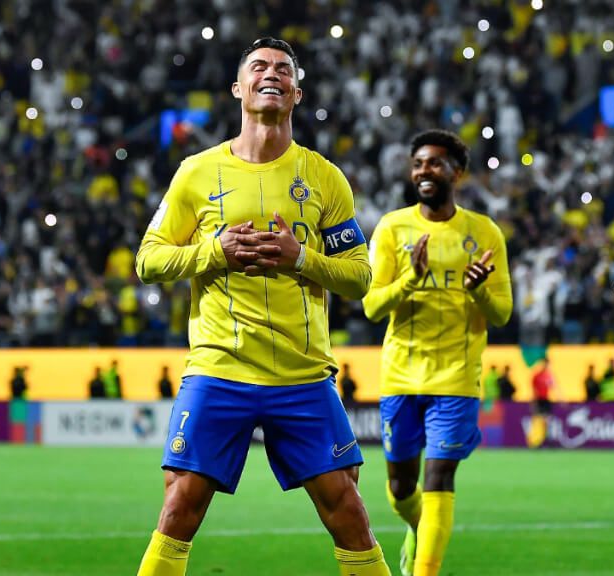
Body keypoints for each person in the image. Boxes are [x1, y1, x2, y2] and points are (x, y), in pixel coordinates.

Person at [134, 38, 389, 576]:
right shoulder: (196, 173)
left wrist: (302, 259)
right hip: (219, 369)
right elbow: (149, 260)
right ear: (238, 88)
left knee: (347, 509)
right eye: (258, 67)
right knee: (180, 505)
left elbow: (360, 278)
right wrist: (214, 252)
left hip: (301, 374)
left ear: (297, 91)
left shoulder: (324, 177)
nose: (270, 74)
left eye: (282, 69)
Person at [362, 129, 512, 576]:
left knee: (440, 477)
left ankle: (424, 569)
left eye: (434, 163)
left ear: (457, 172)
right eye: (418, 164)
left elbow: (501, 313)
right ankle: (418, 527)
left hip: (457, 378)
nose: (424, 171)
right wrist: (411, 278)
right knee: (400, 487)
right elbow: (371, 306)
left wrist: (478, 291)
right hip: (401, 375)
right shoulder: (393, 227)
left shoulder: (484, 233)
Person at [528, 358, 554, 449]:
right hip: (538, 400)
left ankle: (544, 441)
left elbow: (554, 387)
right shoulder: (537, 376)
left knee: (546, 421)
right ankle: (535, 441)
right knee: (537, 420)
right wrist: (533, 402)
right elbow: (533, 390)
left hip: (546, 400)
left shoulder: (549, 376)